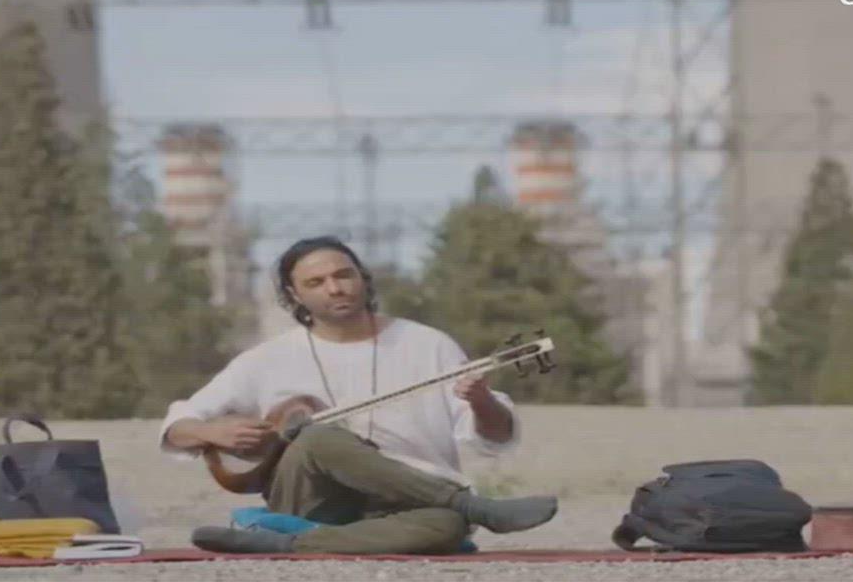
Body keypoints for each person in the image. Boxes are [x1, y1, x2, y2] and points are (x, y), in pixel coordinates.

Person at [159, 236, 558, 555]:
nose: (335, 288)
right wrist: (209, 432)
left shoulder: (428, 344)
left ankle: (287, 544)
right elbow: (178, 425)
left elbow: (494, 438)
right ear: (294, 295)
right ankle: (474, 507)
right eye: (316, 282)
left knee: (446, 528)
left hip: (405, 505)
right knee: (318, 436)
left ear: (364, 279)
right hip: (313, 502)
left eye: (343, 275)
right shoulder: (267, 358)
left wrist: (480, 401)